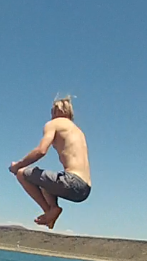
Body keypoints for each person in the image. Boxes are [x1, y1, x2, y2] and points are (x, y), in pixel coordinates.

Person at [9, 97, 92, 229]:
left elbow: (41, 151)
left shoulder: (54, 124)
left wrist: (17, 165)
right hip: (85, 189)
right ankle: (51, 213)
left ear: (55, 111)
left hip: (72, 181)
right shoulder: (78, 131)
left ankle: (50, 211)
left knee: (21, 174)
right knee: (44, 181)